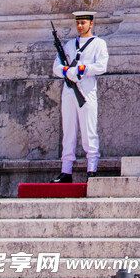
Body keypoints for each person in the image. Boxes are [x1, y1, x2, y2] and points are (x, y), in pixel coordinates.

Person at [51, 10, 109, 183]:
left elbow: (102, 66)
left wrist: (83, 69)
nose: (80, 26)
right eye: (78, 23)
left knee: (89, 130)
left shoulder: (99, 44)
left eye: (83, 23)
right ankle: (66, 170)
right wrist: (67, 71)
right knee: (68, 130)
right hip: (69, 91)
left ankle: (92, 168)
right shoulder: (69, 45)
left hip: (87, 91)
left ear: (91, 24)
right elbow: (56, 67)